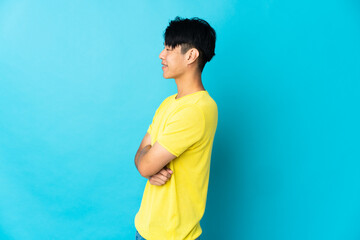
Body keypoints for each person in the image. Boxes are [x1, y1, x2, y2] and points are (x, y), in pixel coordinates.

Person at [134, 16, 218, 240]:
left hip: (171, 235)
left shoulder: (197, 110)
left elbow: (144, 167)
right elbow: (141, 159)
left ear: (191, 55)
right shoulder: (168, 103)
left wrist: (148, 164)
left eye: (170, 49)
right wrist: (148, 163)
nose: (162, 55)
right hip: (145, 228)